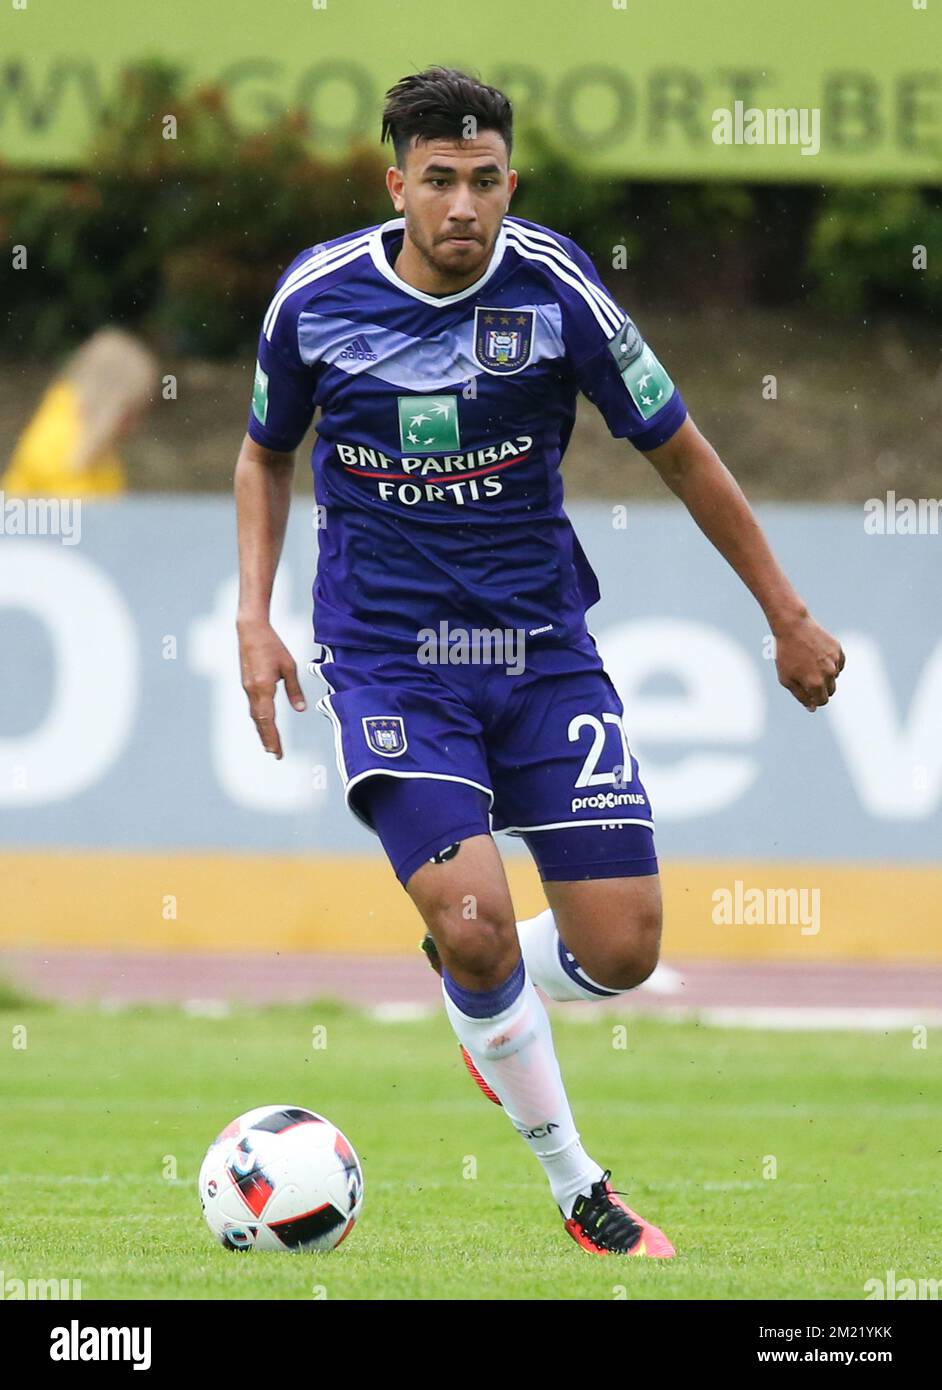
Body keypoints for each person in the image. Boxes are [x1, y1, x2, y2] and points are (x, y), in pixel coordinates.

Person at [234, 66, 845, 1257]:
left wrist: (787, 613)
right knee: (474, 918)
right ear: (395, 183)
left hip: (541, 653)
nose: (464, 205)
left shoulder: (559, 291)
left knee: (622, 952)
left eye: (485, 181)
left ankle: (488, 996)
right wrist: (252, 619)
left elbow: (682, 451)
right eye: (439, 181)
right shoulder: (315, 302)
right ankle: (579, 1188)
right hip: (391, 659)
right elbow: (265, 454)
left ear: (511, 181)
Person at [2, 329, 157, 498]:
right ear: (112, 405)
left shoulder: (95, 451)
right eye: (132, 413)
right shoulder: (58, 445)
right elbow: (82, 518)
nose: (136, 427)